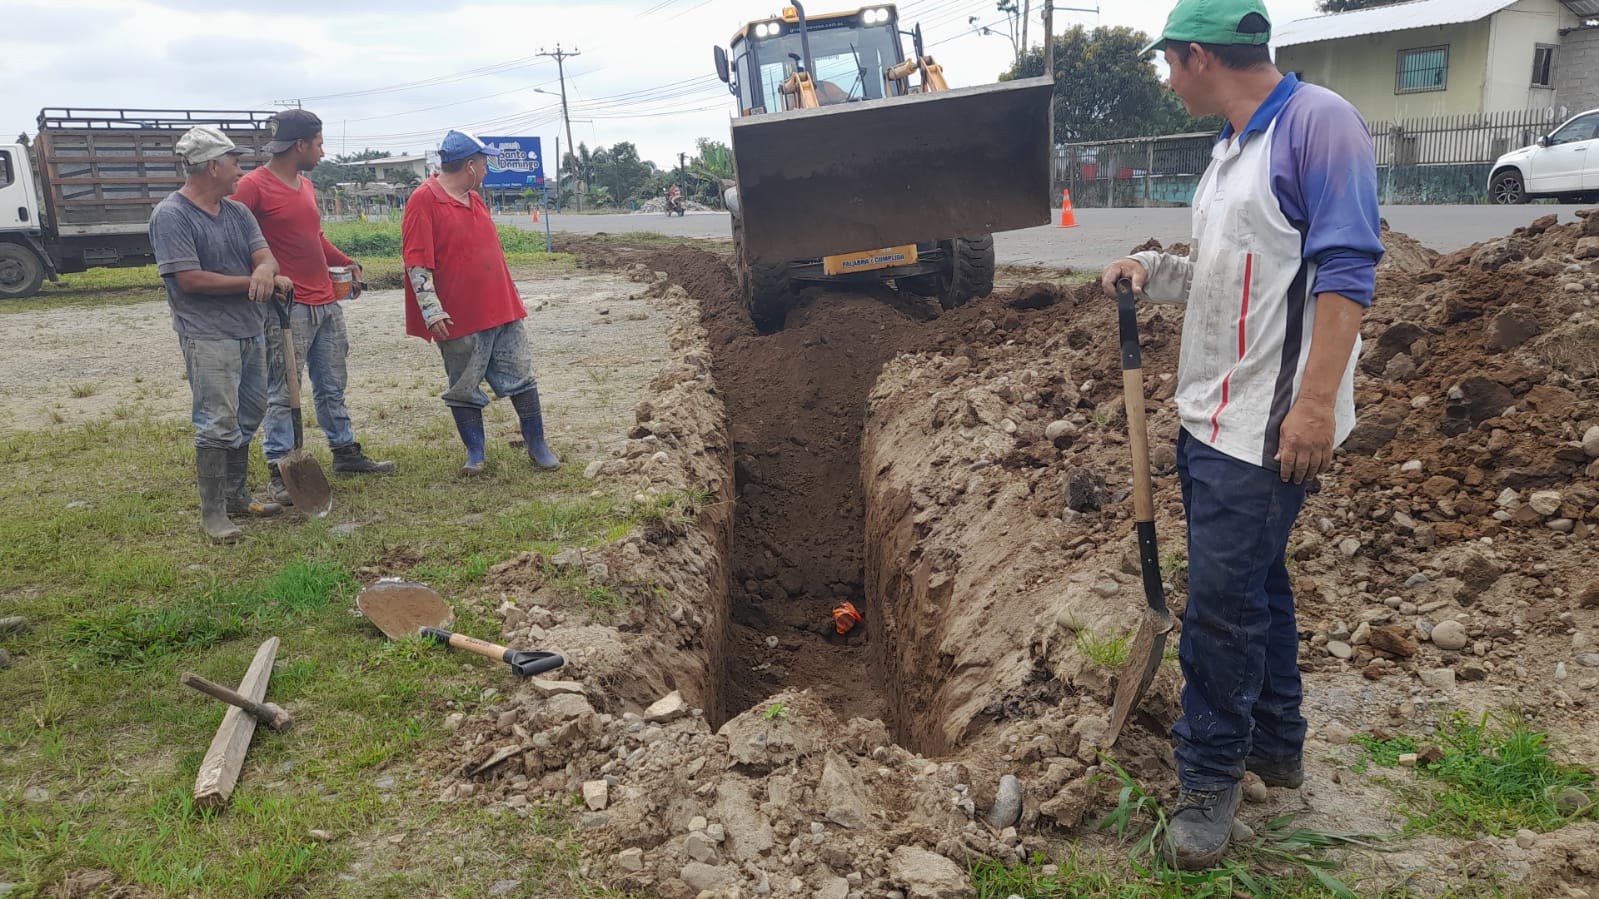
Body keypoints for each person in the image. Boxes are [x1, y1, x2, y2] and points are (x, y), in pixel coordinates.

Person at [1099, 0, 1382, 870]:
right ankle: (1274, 742)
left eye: (1167, 64)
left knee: (1220, 609)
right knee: (1257, 581)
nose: (1165, 80)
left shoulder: (1317, 125)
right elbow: (1232, 273)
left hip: (1265, 425)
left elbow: (1345, 272)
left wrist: (1312, 405)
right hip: (1210, 416)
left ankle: (1208, 778)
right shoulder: (1230, 149)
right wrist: (1153, 269)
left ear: (1198, 57)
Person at [232, 108, 395, 505]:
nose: (323, 151)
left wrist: (346, 261)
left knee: (332, 383)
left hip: (326, 301)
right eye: (319, 144)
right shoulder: (253, 186)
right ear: (300, 144)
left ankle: (345, 451)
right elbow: (232, 238)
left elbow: (314, 237)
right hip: (287, 307)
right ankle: (280, 467)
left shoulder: (304, 185)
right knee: (283, 388)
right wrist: (263, 276)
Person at [150, 126, 293, 542]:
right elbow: (188, 279)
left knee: (249, 412)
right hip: (207, 335)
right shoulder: (172, 215)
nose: (240, 170)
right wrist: (255, 280)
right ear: (213, 166)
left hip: (249, 328)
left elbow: (265, 256)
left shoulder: (237, 212)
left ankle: (235, 495)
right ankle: (213, 514)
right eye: (234, 161)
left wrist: (265, 269)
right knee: (216, 421)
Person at [400, 129, 560, 475]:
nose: (487, 169)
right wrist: (431, 310)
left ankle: (537, 445)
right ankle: (475, 453)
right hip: (459, 316)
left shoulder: (474, 199)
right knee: (463, 386)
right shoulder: (424, 200)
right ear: (470, 166)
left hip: (502, 307)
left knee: (521, 376)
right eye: (484, 163)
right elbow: (416, 261)